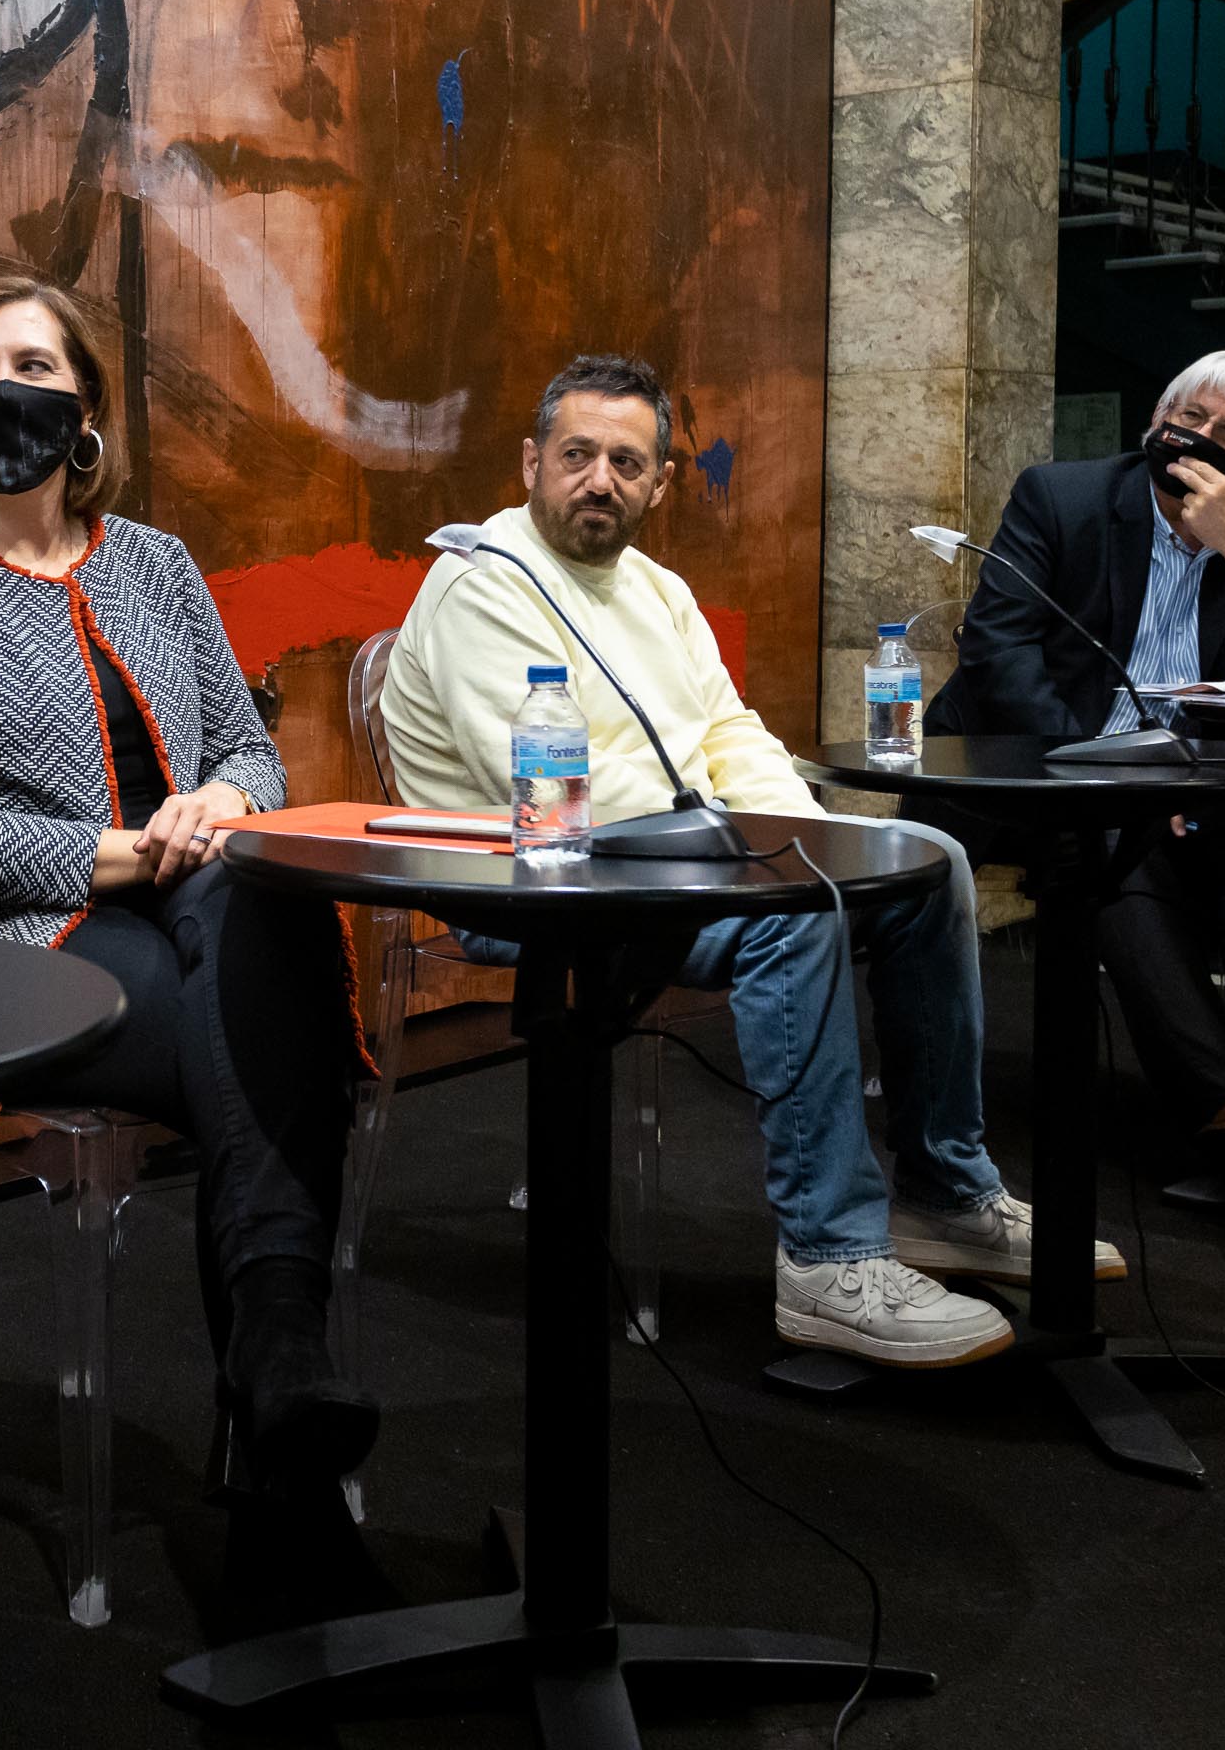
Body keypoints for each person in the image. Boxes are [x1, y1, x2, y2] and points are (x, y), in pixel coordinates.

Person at [381, 354, 1119, 1368]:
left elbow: (729, 732)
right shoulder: (481, 582)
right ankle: (829, 1258)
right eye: (577, 454)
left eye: (626, 463)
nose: (599, 480)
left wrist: (806, 837)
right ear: (531, 462)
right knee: (794, 912)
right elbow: (565, 783)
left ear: (660, 483)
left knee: (932, 860)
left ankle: (944, 1194)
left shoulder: (658, 589)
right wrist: (769, 863)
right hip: (530, 875)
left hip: (677, 856)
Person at [0, 275, 377, 1490]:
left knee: (259, 912)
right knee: (261, 1026)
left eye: (34, 366)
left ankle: (277, 1373)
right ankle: (279, 1370)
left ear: (84, 404)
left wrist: (222, 802)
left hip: (193, 905)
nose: (5, 390)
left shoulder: (157, 561)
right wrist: (137, 850)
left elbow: (249, 750)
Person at [926, 349, 1225, 1175]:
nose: (1201, 437)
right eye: (1189, 418)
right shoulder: (1062, 498)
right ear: (1157, 422)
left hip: (1203, 788)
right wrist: (1109, 773)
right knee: (1123, 851)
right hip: (1058, 771)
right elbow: (1000, 657)